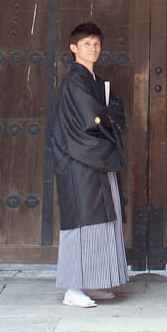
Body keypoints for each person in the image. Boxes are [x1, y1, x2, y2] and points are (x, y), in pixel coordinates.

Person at [51, 21, 129, 308]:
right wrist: (107, 117)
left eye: (96, 44)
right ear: (74, 48)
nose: (92, 49)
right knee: (82, 223)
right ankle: (73, 287)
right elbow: (91, 119)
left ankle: (92, 282)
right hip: (79, 161)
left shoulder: (95, 81)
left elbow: (113, 111)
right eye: (86, 44)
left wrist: (108, 115)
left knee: (101, 220)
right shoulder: (75, 81)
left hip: (95, 157)